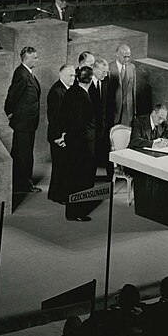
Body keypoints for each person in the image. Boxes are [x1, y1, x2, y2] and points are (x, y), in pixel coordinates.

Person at [59, 66, 96, 221]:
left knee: (73, 177)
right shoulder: (83, 97)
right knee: (82, 179)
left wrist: (64, 136)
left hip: (72, 142)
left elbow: (63, 116)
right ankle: (78, 212)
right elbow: (79, 123)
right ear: (91, 79)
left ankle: (73, 211)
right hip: (82, 145)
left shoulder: (70, 92)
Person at [5, 47, 42, 194]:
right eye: (34, 58)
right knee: (23, 155)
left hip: (28, 121)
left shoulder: (27, 73)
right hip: (23, 123)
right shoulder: (21, 74)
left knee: (23, 153)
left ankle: (19, 183)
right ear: (26, 59)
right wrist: (10, 112)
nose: (37, 60)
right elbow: (12, 95)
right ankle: (24, 185)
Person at [47, 64, 75, 204]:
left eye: (74, 75)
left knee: (63, 166)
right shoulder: (56, 92)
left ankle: (56, 194)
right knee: (60, 167)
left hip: (64, 135)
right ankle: (59, 196)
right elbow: (54, 118)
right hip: (58, 136)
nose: (73, 78)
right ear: (61, 75)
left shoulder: (67, 89)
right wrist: (60, 137)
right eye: (70, 75)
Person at [89, 58, 112, 179]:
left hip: (104, 125)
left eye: (106, 71)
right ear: (94, 70)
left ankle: (110, 180)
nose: (106, 74)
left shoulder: (106, 81)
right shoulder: (86, 83)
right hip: (91, 127)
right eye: (103, 71)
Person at [108, 44, 137, 126]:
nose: (127, 59)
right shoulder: (109, 68)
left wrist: (134, 111)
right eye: (125, 57)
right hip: (114, 109)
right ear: (117, 55)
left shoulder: (132, 68)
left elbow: (133, 90)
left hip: (128, 110)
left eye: (129, 56)